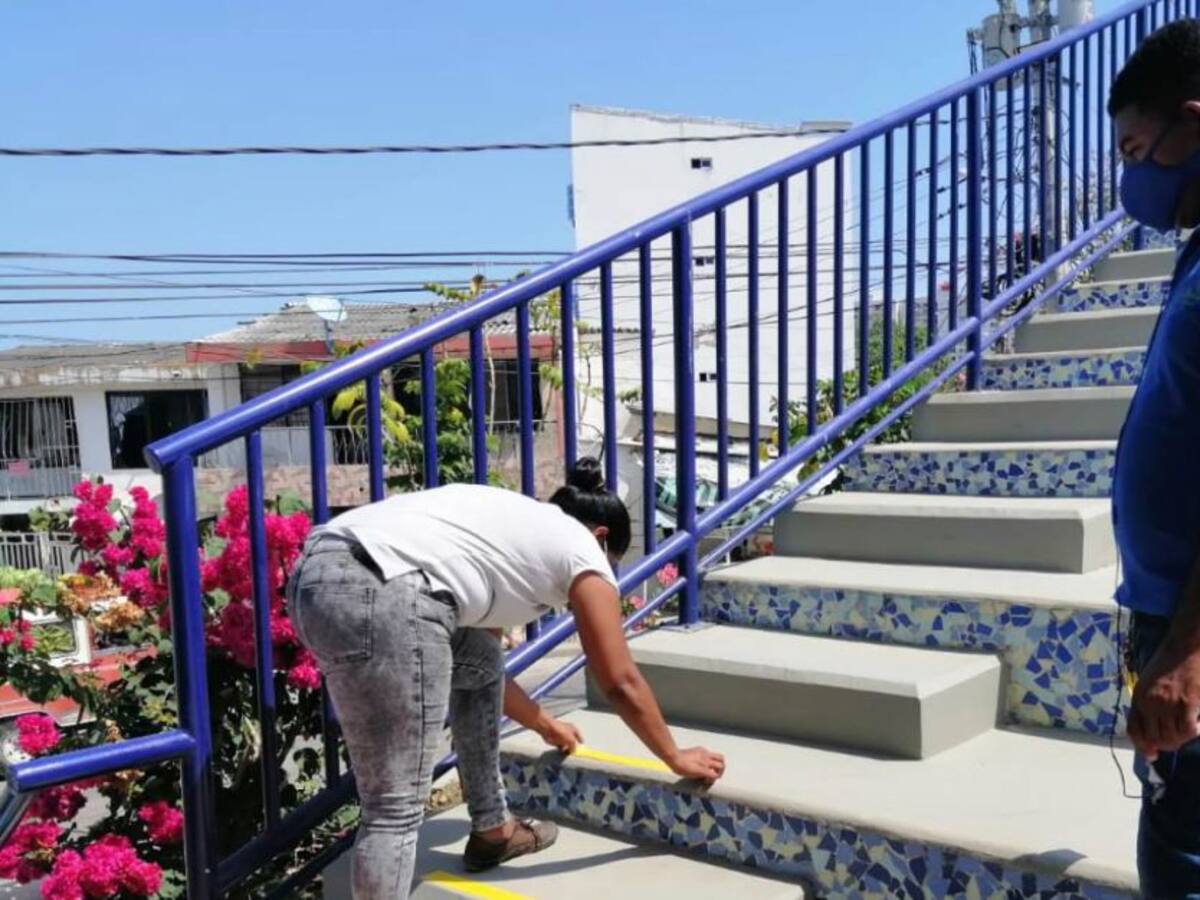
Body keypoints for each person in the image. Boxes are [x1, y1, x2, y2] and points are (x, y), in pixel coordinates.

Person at [287, 458, 725, 899]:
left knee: (475, 660)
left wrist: (544, 724)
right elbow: (618, 679)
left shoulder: (512, 533)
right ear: (602, 537)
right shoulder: (581, 548)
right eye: (611, 567)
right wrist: (674, 756)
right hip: (389, 592)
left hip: (315, 579)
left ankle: (492, 829)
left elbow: (483, 670)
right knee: (394, 809)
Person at [1110, 19, 1200, 898]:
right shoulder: (1193, 256)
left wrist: (1185, 653)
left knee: (1181, 861)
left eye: (1139, 148)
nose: (1134, 175)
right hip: (1168, 618)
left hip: (1190, 630)